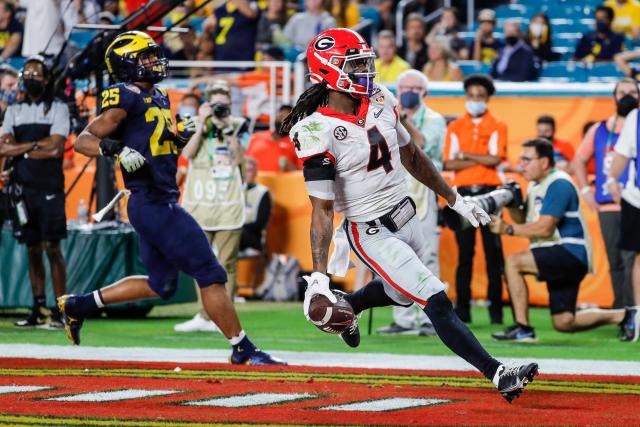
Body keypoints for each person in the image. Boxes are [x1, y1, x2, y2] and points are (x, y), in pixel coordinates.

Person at [283, 28, 538, 403]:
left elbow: (413, 155)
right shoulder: (315, 130)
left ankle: (349, 305)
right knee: (434, 299)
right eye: (354, 65)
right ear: (328, 71)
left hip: (407, 215)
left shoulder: (380, 98)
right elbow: (321, 210)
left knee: (401, 295)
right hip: (370, 231)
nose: (364, 71)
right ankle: (498, 373)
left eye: (364, 63)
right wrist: (320, 276)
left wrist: (453, 198)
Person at [58, 31, 284, 365]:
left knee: (160, 285)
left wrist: (179, 137)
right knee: (211, 272)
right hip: (151, 202)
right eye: (144, 57)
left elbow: (157, 146)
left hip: (158, 199)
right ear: (125, 64)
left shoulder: (159, 95)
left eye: (152, 55)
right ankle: (243, 349)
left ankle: (77, 306)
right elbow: (84, 140)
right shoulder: (123, 94)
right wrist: (116, 149)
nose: (152, 61)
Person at [490, 139, 640, 342]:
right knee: (564, 322)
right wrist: (512, 204)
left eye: (526, 159)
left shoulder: (559, 183)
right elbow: (525, 220)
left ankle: (523, 328)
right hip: (564, 253)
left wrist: (507, 229)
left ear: (544, 162)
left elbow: (544, 228)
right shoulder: (537, 185)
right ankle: (626, 315)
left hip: (569, 251)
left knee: (514, 262)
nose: (521, 164)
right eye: (521, 159)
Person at [173, 80, 250, 333]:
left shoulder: (239, 125)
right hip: (199, 202)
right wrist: (202, 123)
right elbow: (187, 154)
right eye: (216, 105)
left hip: (229, 202)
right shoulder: (192, 122)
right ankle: (204, 315)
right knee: (200, 261)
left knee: (226, 263)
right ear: (206, 104)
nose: (220, 109)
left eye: (224, 105)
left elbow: (241, 160)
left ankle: (224, 317)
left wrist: (229, 132)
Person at [0, 55, 70, 328]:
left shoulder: (58, 108)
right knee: (32, 248)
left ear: (47, 78)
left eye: (35, 74)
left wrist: (21, 147)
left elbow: (56, 149)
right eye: (26, 74)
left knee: (53, 247)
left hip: (50, 186)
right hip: (22, 188)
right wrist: (34, 147)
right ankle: (38, 308)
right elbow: (2, 148)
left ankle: (62, 308)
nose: (30, 78)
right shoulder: (14, 110)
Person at [376, 69, 445, 337]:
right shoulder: (384, 118)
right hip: (394, 189)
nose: (407, 93)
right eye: (403, 88)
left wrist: (402, 120)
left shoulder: (435, 120)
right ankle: (402, 318)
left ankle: (431, 317)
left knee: (427, 253)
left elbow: (424, 146)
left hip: (423, 189)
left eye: (414, 89)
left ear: (424, 93)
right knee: (395, 252)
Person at [443, 74, 507, 325]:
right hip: (465, 194)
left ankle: (496, 311)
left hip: (492, 191)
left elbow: (496, 159)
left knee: (494, 254)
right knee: (465, 253)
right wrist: (481, 157)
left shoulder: (498, 125)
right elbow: (448, 161)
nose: (475, 100)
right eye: (471, 96)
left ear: (488, 98)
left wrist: (466, 155)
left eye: (480, 96)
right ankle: (463, 310)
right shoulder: (455, 126)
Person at [573, 78, 638, 310]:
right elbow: (579, 159)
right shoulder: (600, 129)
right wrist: (585, 190)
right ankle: (622, 310)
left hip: (636, 202)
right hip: (608, 205)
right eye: (622, 92)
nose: (628, 96)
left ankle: (633, 310)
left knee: (633, 259)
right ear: (614, 97)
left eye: (633, 92)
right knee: (616, 260)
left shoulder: (637, 126)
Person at [606, 95, 640, 342]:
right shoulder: (634, 118)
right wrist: (612, 180)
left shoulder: (635, 117)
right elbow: (619, 161)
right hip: (636, 197)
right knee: (637, 259)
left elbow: (618, 163)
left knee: (638, 260)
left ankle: (637, 319)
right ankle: (637, 317)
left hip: (635, 197)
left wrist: (612, 179)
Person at [246, 105, 300, 172]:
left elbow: (301, 173)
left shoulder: (296, 144)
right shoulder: (256, 137)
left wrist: (289, 166)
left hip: (278, 181)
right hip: (254, 180)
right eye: (281, 117)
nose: (282, 121)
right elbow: (245, 161)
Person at [239, 156, 272, 256]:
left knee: (234, 233)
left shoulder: (263, 192)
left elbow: (260, 223)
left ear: (255, 172)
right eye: (245, 170)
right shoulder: (236, 190)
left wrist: (238, 228)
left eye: (250, 170)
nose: (247, 173)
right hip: (236, 233)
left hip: (253, 237)